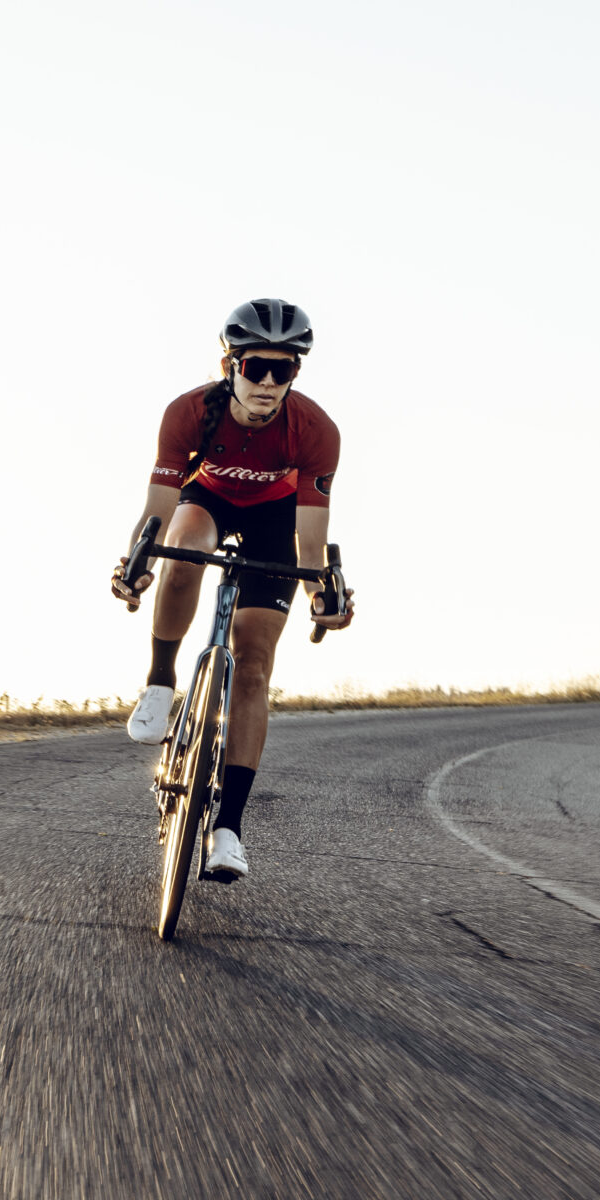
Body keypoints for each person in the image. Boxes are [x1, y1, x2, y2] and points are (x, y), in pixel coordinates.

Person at [110, 298, 353, 880]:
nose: (268, 382)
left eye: (282, 369)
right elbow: (157, 513)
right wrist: (137, 564)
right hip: (208, 500)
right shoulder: (189, 412)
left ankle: (228, 829)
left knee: (254, 667)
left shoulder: (316, 431)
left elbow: (310, 541)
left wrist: (321, 595)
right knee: (183, 547)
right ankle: (160, 681)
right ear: (230, 366)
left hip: (274, 520)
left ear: (295, 372)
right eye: (255, 367)